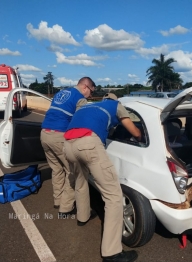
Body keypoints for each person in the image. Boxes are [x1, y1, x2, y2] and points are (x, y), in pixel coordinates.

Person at [63, 93, 141, 262]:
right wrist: (139, 137)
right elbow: (133, 130)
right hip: (88, 144)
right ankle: (111, 253)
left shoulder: (87, 106)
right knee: (113, 196)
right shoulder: (116, 106)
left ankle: (82, 217)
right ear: (115, 101)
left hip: (67, 145)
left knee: (80, 181)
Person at [40, 77, 95, 215]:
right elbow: (82, 120)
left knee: (56, 169)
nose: (91, 96)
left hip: (44, 133)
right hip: (59, 136)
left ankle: (57, 200)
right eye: (91, 92)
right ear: (85, 87)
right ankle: (66, 208)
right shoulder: (80, 99)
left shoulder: (61, 93)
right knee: (72, 171)